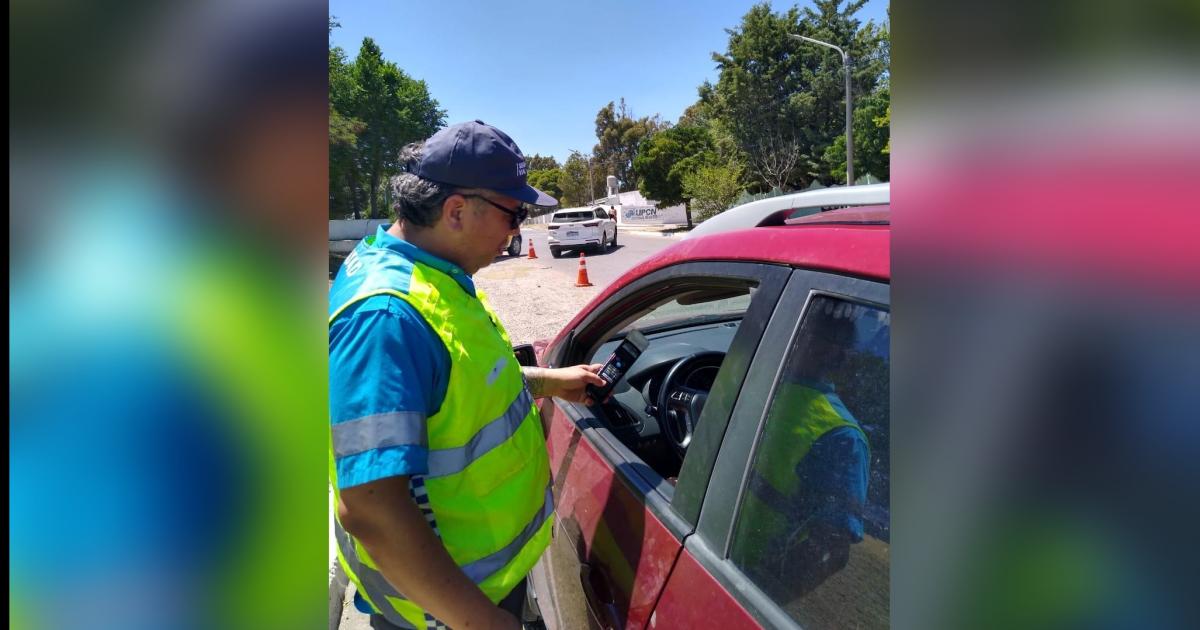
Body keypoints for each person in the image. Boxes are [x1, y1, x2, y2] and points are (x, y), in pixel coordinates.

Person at [329, 120, 607, 629]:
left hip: (476, 590)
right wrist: (485, 623)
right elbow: (371, 510)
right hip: (445, 611)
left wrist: (547, 380)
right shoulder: (385, 318)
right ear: (456, 210)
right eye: (513, 213)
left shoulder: (432, 276)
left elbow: (457, 387)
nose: (516, 230)